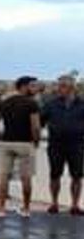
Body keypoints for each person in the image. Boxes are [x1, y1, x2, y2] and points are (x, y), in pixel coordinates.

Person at [0, 76, 41, 217]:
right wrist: (36, 141)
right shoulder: (32, 104)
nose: (35, 89)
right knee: (26, 177)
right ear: (23, 87)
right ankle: (26, 209)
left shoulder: (4, 103)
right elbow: (36, 127)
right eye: (32, 86)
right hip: (25, 143)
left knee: (4, 177)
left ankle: (1, 209)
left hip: (7, 143)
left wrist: (0, 137)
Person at [40, 75, 84, 215]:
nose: (58, 89)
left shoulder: (82, 104)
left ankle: (75, 205)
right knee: (55, 175)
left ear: (72, 88)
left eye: (62, 86)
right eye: (59, 86)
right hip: (56, 145)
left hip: (77, 145)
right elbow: (39, 121)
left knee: (77, 176)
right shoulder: (51, 104)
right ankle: (54, 203)